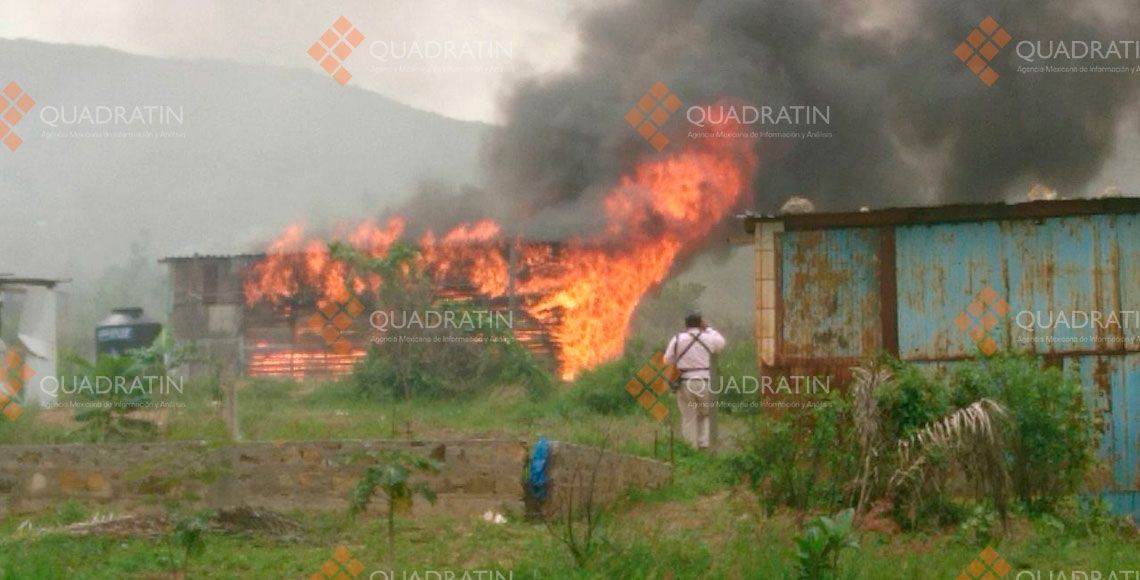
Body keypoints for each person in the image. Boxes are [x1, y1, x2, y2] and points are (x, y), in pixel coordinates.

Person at [663, 311, 726, 450]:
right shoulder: (709, 338)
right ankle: (704, 444)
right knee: (706, 413)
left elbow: (667, 359)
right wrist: (708, 327)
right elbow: (722, 343)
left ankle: (690, 448)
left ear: (686, 325)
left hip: (684, 382)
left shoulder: (678, 339)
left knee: (688, 417)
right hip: (704, 381)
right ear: (700, 323)